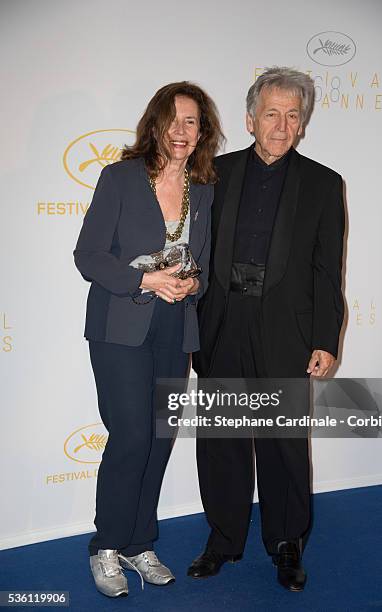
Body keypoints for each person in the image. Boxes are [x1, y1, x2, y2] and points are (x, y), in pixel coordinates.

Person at [189, 67, 345, 591]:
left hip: (286, 330)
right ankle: (223, 540)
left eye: (293, 115)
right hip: (223, 320)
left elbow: (328, 269)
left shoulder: (324, 183)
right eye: (272, 114)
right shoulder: (213, 173)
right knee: (221, 439)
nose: (282, 125)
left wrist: (326, 337)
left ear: (303, 124)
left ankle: (286, 545)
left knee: (282, 442)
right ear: (251, 118)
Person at [74, 81, 223, 598]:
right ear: (155, 124)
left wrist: (191, 282)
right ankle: (107, 546)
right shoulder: (119, 178)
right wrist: (145, 279)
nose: (182, 132)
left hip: (174, 327)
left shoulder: (203, 190)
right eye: (175, 120)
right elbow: (88, 256)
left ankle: (140, 543)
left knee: (159, 439)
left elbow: (199, 264)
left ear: (202, 133)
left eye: (193, 122)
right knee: (132, 437)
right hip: (120, 327)